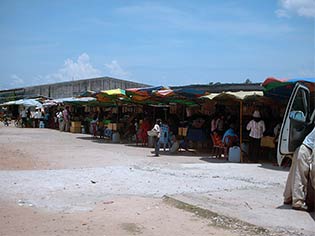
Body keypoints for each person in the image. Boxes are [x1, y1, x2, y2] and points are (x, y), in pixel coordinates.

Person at [283, 126, 315, 211]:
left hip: (301, 149)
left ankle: (288, 197)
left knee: (293, 175)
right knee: (300, 177)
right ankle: (297, 202)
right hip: (306, 151)